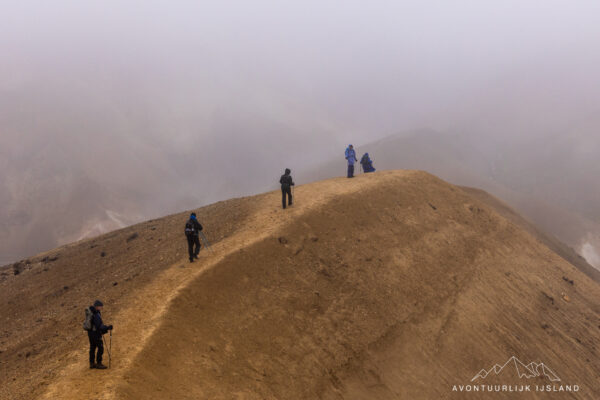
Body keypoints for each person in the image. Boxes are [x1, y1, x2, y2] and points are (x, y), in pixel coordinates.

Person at [87, 300, 112, 369]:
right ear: (97, 306)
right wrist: (107, 327)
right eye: (101, 306)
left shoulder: (91, 312)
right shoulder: (95, 314)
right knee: (100, 348)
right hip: (95, 334)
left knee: (92, 347)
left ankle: (91, 363)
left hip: (90, 333)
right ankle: (99, 363)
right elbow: (99, 326)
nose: (102, 308)